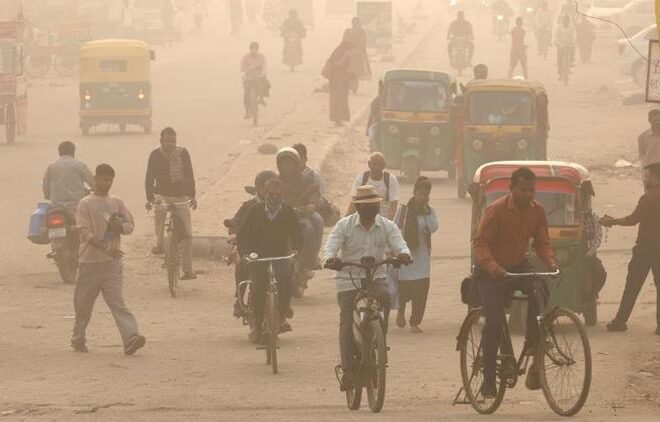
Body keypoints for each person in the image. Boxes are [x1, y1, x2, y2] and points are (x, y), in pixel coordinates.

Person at [473, 167, 558, 398]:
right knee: (495, 322)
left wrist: (550, 262)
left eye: (531, 190)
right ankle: (489, 381)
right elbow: (480, 244)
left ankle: (533, 341)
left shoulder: (538, 211)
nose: (528, 194)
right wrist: (493, 267)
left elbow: (542, 244)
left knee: (540, 288)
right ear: (511, 189)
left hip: (518, 264)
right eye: (523, 190)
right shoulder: (496, 210)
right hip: (490, 271)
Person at [323, 185, 411, 390]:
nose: (373, 210)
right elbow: (330, 247)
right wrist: (331, 259)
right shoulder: (344, 226)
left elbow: (400, 244)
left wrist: (403, 254)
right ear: (358, 207)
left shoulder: (387, 226)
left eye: (376, 206)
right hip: (348, 281)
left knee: (386, 298)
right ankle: (348, 371)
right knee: (346, 323)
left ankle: (378, 342)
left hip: (375, 278)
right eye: (368, 207)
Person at [71, 164, 145, 355]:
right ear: (95, 179)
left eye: (110, 180)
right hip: (90, 262)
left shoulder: (117, 202)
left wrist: (119, 226)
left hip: (112, 263)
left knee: (117, 302)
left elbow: (130, 225)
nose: (107, 183)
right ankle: (78, 337)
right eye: (104, 179)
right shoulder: (85, 203)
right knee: (83, 305)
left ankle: (131, 337)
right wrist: (105, 247)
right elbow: (84, 232)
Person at [238, 178, 302, 341]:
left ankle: (281, 315)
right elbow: (243, 235)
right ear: (264, 194)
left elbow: (297, 234)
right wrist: (245, 253)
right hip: (257, 256)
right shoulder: (254, 211)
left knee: (286, 280)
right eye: (271, 194)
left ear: (282, 196)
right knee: (258, 287)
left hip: (280, 255)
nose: (274, 198)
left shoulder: (287, 211)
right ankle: (258, 323)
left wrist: (296, 250)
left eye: (278, 195)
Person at [600, 163, 660, 336]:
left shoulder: (649, 197)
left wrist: (612, 221)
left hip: (646, 248)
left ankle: (620, 321)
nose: (645, 178)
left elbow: (633, 219)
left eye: (647, 176)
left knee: (632, 285)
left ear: (655, 177)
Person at [145, 127, 197, 280]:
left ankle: (188, 270)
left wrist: (192, 196)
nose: (171, 144)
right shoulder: (155, 155)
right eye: (167, 141)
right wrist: (149, 198)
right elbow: (149, 178)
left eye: (173, 141)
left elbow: (190, 175)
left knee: (187, 233)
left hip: (181, 196)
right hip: (162, 194)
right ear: (161, 141)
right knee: (159, 210)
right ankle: (160, 243)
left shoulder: (183, 153)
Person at [227, 170, 278, 317]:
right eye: (266, 187)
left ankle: (282, 313)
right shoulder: (248, 206)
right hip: (251, 249)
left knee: (286, 268)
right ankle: (239, 300)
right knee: (242, 265)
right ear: (258, 188)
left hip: (275, 248)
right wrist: (234, 234)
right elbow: (235, 222)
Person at [394, 177, 438, 333]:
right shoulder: (404, 210)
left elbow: (434, 227)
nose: (423, 197)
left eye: (426, 194)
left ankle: (415, 322)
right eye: (420, 194)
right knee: (404, 289)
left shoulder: (429, 211)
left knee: (421, 291)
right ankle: (400, 311)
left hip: (422, 258)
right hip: (406, 257)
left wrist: (426, 215)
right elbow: (395, 229)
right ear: (414, 193)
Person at [276, 148, 323, 275]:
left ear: (296, 163)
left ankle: (310, 261)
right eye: (283, 163)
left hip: (300, 216)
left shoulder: (305, 179)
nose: (286, 166)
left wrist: (312, 203)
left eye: (289, 162)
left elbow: (313, 191)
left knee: (309, 229)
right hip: (280, 216)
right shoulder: (275, 181)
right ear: (278, 164)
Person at [43, 141, 95, 211]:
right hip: (76, 206)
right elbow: (92, 182)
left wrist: (47, 195)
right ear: (73, 152)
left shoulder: (51, 167)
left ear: (59, 152)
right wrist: (95, 189)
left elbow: (45, 185)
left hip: (56, 206)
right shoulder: (80, 165)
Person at [348, 152, 400, 220]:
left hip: (384, 219)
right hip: (363, 219)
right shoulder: (361, 178)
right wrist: (346, 221)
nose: (377, 167)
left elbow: (393, 204)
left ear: (384, 165)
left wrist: (388, 224)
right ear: (369, 164)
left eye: (380, 165)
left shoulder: (391, 179)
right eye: (374, 164)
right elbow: (354, 202)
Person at [322, 35, 353, 127]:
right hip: (336, 80)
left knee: (342, 99)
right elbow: (337, 64)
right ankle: (337, 120)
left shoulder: (345, 53)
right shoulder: (338, 53)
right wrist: (345, 56)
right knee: (337, 99)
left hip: (343, 80)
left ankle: (339, 119)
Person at [241, 42, 270, 119]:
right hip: (249, 77)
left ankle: (261, 98)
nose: (254, 50)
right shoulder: (245, 57)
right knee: (246, 94)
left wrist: (263, 74)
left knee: (266, 84)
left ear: (257, 49)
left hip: (259, 77)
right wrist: (249, 68)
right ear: (250, 49)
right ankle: (247, 111)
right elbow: (242, 68)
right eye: (252, 49)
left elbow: (265, 66)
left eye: (255, 49)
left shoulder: (261, 57)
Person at [343, 17, 371, 94]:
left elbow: (344, 42)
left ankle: (350, 87)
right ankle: (353, 88)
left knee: (350, 72)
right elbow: (363, 43)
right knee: (355, 73)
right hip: (356, 55)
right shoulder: (361, 32)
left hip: (351, 55)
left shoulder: (348, 31)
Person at [638, 109, 660, 191]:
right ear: (650, 121)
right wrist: (645, 172)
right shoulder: (643, 137)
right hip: (651, 171)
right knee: (649, 197)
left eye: (659, 119)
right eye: (655, 120)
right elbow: (642, 155)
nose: (658, 122)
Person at [554, 14, 576, 79]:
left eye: (567, 20)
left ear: (568, 21)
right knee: (560, 58)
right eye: (564, 20)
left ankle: (570, 66)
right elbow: (556, 36)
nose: (565, 22)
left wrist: (573, 43)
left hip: (569, 45)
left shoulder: (572, 27)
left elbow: (574, 36)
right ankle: (560, 73)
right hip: (561, 45)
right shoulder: (558, 27)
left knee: (572, 55)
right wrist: (557, 43)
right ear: (562, 21)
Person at [366, 80, 384, 152]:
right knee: (372, 137)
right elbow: (372, 114)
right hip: (378, 122)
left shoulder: (392, 99)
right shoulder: (376, 100)